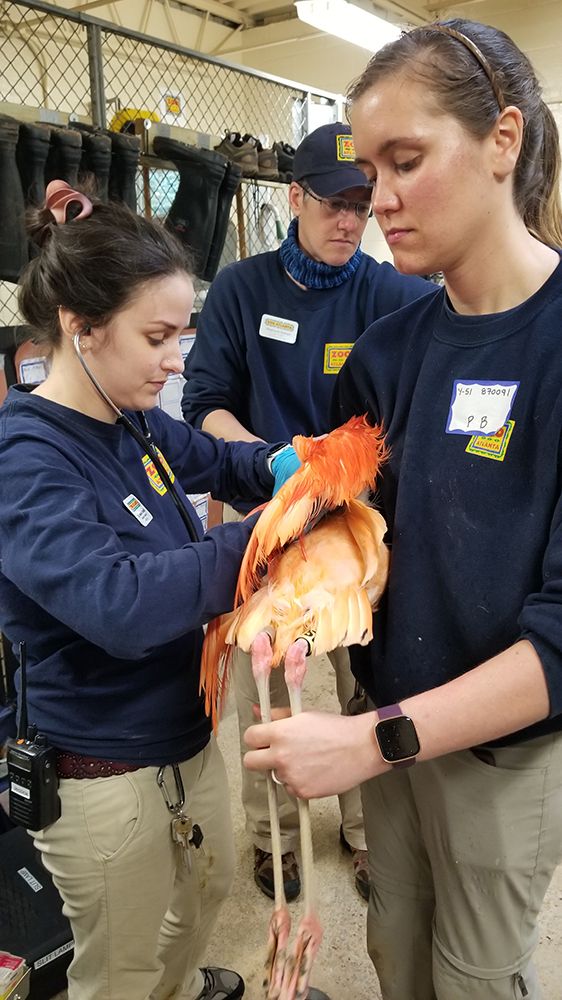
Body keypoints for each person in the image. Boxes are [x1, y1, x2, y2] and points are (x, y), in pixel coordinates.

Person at [244, 18, 562, 1000]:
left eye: (404, 161)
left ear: (502, 140)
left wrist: (367, 740)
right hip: (382, 713)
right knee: (395, 951)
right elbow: (358, 521)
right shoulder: (388, 349)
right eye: (366, 171)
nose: (375, 202)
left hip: (494, 752)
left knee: (471, 978)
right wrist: (297, 580)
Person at [0, 182, 305, 1000]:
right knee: (120, 964)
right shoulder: (28, 461)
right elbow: (119, 604)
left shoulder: (129, 417)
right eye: (159, 337)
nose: (177, 361)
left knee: (201, 897)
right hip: (105, 769)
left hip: (186, 733)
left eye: (184, 334)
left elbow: (210, 457)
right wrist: (259, 540)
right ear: (81, 326)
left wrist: (281, 465)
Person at [182, 121, 433, 904]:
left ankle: (365, 834)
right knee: (268, 695)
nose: (349, 221)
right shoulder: (241, 290)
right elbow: (204, 405)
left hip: (355, 535)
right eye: (332, 203)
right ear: (293, 196)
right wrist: (273, 466)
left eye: (361, 204)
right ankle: (277, 842)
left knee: (369, 681)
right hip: (269, 528)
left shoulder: (393, 293)